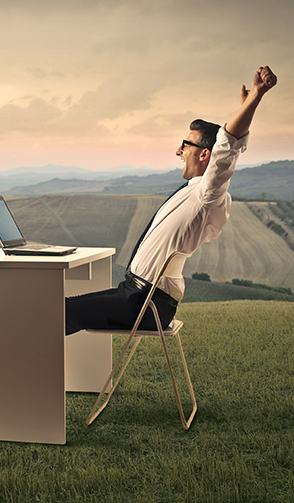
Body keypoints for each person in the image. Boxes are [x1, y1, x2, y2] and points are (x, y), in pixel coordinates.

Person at [66, 66, 278, 335]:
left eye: (185, 145)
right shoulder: (196, 192)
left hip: (144, 304)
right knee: (58, 309)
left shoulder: (208, 195)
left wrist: (254, 98)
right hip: (135, 296)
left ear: (204, 155)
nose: (178, 151)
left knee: (56, 313)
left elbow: (227, 149)